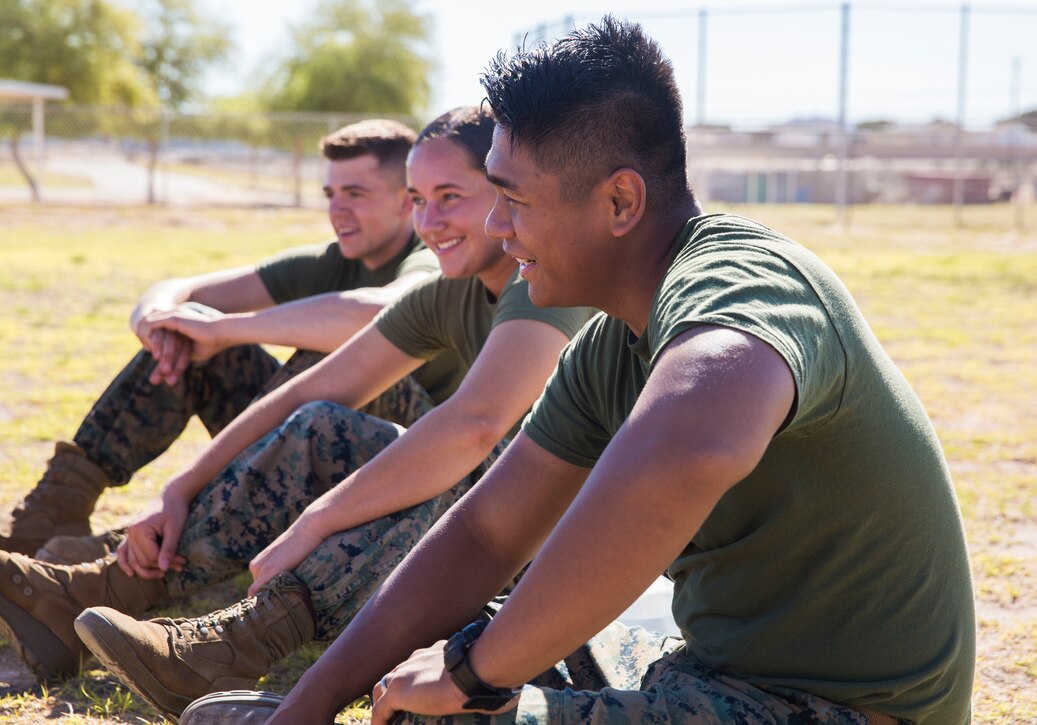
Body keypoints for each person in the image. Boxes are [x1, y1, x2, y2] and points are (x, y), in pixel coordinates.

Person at [195, 18, 976, 725]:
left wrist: (472, 672)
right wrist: (309, 705)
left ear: (621, 202)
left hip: (839, 709)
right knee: (458, 651)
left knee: (450, 700)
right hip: (718, 674)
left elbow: (690, 449)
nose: (497, 226)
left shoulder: (742, 278)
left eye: (513, 200)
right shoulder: (610, 343)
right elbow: (485, 532)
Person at [0, 106, 594, 719]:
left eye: (450, 197)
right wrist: (179, 488)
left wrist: (316, 518)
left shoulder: (545, 280)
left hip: (555, 557)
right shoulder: (449, 291)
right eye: (419, 199)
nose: (429, 221)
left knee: (457, 458)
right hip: (479, 536)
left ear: (502, 192)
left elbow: (475, 427)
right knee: (321, 421)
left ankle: (239, 641)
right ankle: (111, 586)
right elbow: (302, 395)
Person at [0, 118, 453, 563]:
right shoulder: (333, 260)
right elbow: (181, 292)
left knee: (338, 353)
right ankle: (54, 510)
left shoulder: (435, 256)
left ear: (406, 200)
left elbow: (377, 314)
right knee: (189, 326)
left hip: (417, 469)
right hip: (312, 458)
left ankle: (143, 549)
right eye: (330, 195)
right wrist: (157, 322)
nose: (337, 210)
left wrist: (222, 330)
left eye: (355, 194)